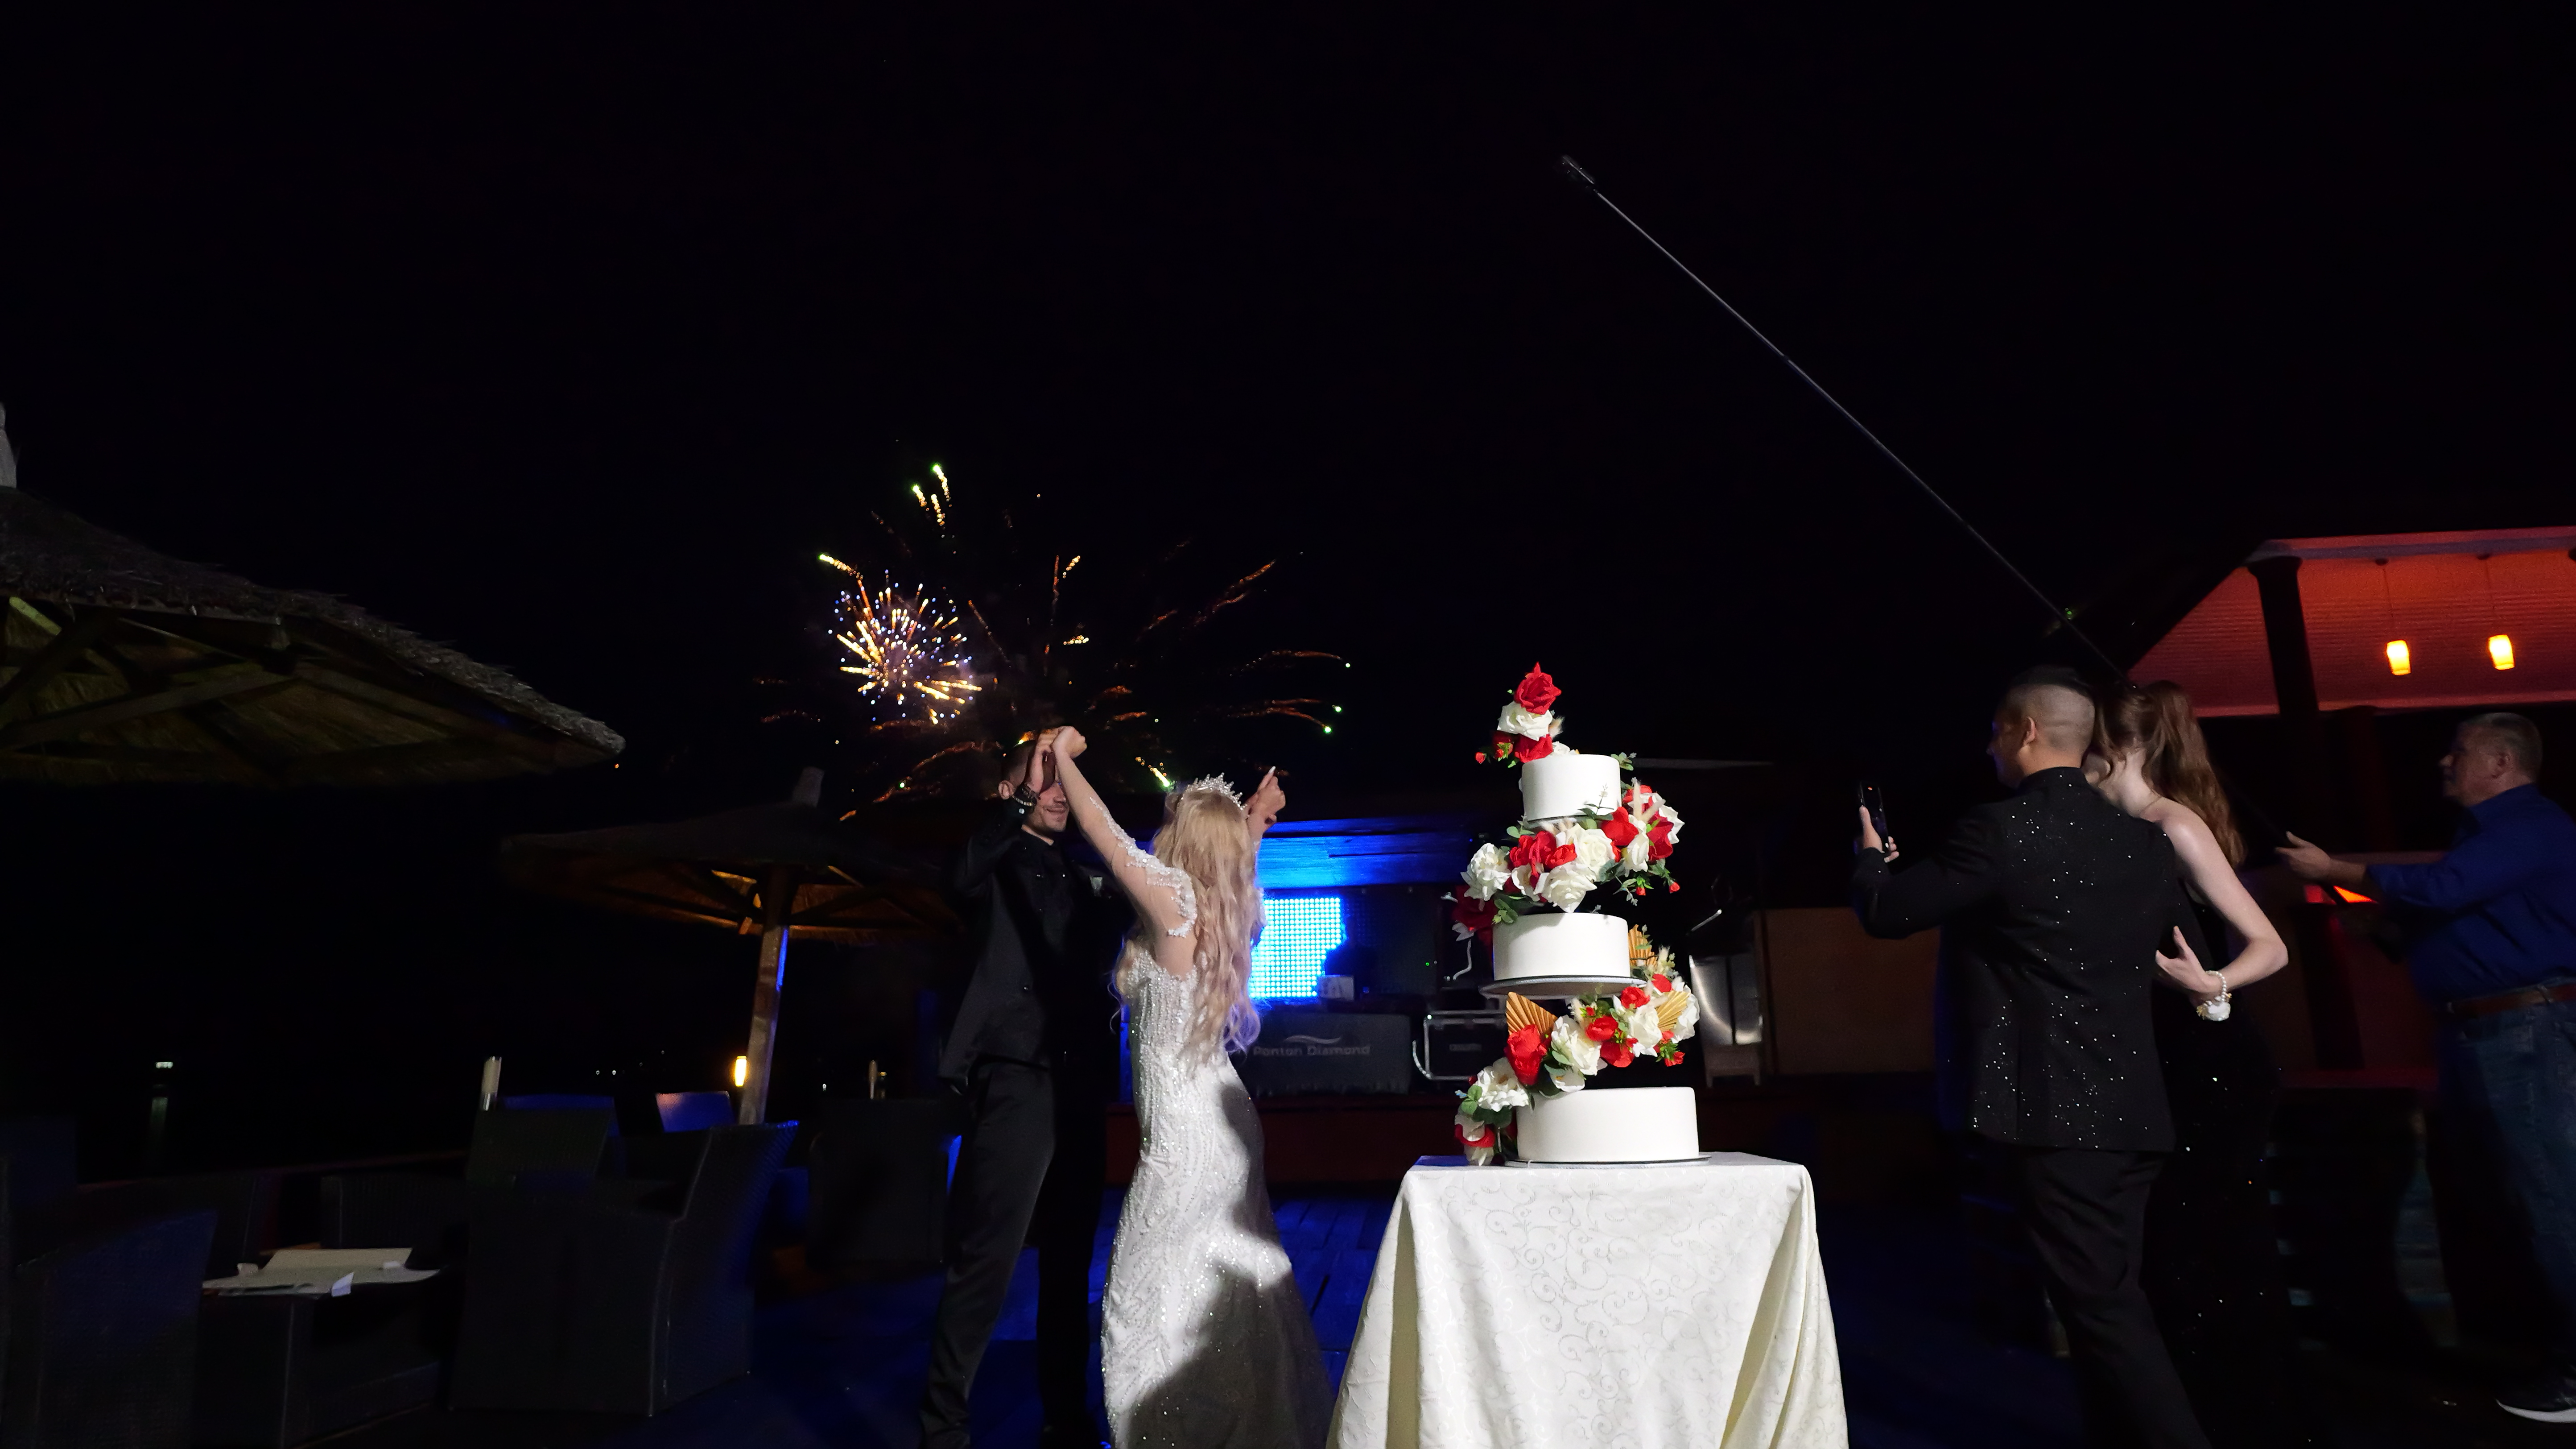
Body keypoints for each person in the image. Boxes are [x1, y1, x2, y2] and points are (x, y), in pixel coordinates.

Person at [1854, 667, 2211, 1449]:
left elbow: (1887, 912)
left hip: (2058, 1112)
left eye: (1995, 733)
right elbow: (2179, 947)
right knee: (2106, 1307)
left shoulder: (2001, 831)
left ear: (2025, 732)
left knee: (2105, 1314)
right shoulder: (2143, 841)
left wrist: (1872, 857)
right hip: (2135, 1107)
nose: (1990, 749)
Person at [2279, 711, 2576, 1424]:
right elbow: (2452, 922)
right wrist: (2382, 926)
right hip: (2485, 1034)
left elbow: (2442, 890)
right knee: (2515, 1197)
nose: (2445, 761)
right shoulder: (2487, 838)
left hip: (2522, 1032)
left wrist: (2333, 870)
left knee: (2549, 1201)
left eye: (2460, 751)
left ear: (2501, 762)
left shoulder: (2529, 824)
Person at [1042, 725, 1331, 1449]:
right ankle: (1239, 1423)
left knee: (1142, 1290)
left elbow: (1101, 830)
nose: (1160, 829)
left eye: (1172, 820)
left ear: (1186, 843)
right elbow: (1230, 863)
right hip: (1221, 1123)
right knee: (1222, 1278)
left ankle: (1165, 1430)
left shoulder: (1172, 902)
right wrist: (1256, 819)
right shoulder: (1223, 906)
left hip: (1185, 1131)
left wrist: (1063, 757)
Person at [2089, 681, 2299, 1447]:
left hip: (2211, 1063)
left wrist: (2210, 983)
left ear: (2116, 747)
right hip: (2166, 1059)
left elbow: (2269, 945)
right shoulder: (2109, 829)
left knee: (2210, 1247)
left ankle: (2242, 1422)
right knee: (2173, 1252)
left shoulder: (2171, 824)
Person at [919, 737, 1129, 1449]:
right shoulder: (994, 861)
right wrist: (1025, 791)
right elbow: (958, 878)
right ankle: (943, 1431)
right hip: (1016, 1075)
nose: (1059, 791)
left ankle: (1066, 1420)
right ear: (1010, 792)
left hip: (1080, 1083)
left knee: (1070, 1261)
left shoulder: (1083, 876)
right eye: (1043, 778)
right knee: (990, 1258)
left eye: (1067, 779)